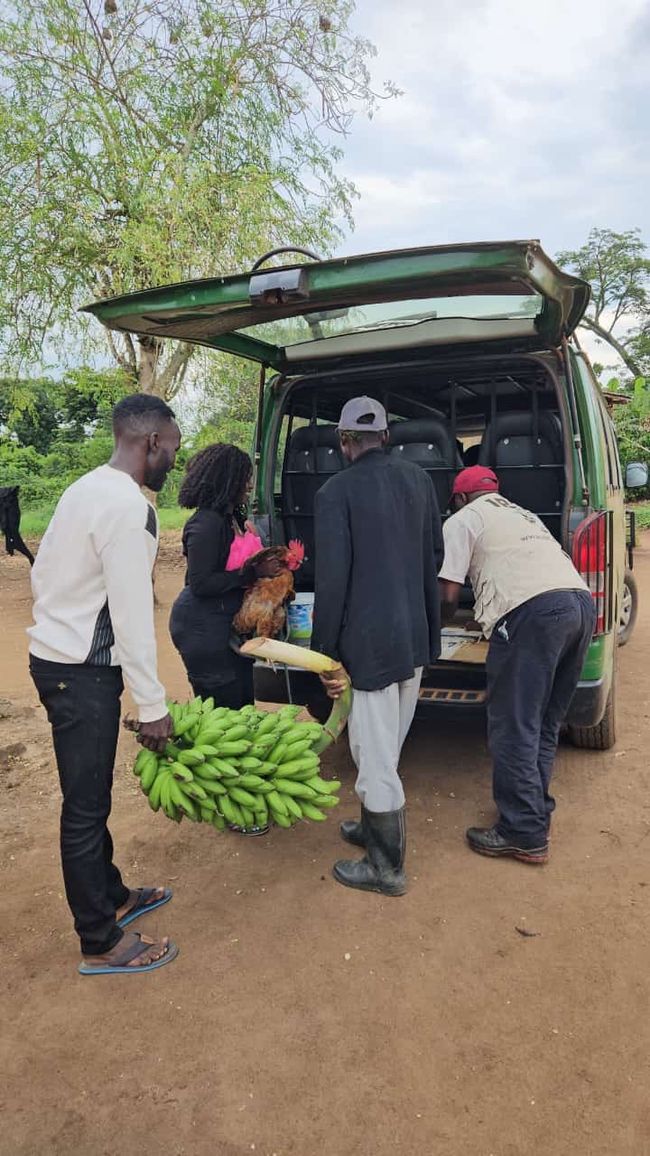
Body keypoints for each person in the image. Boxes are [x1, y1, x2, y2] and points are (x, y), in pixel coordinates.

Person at [28, 393, 182, 975]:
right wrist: (152, 705)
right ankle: (100, 940)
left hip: (56, 658)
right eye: (170, 447)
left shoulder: (84, 487)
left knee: (88, 797)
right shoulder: (128, 509)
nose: (173, 458)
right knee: (85, 807)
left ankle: (113, 895)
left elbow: (46, 575)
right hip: (82, 673)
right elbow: (132, 614)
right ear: (148, 444)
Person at [312, 397, 444, 897]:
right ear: (385, 436)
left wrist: (325, 651)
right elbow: (435, 552)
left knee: (376, 752)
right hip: (414, 636)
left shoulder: (334, 492)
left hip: (368, 645)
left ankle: (386, 867)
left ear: (344, 441)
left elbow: (333, 580)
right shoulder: (420, 481)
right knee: (382, 743)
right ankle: (372, 827)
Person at [438, 465, 596, 865]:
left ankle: (522, 833)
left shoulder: (462, 520)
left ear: (458, 498)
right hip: (579, 604)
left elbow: (450, 595)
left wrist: (431, 630)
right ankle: (534, 813)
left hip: (535, 616)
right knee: (543, 722)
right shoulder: (522, 514)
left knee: (512, 724)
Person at [169, 444, 282, 835]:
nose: (250, 485)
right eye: (245, 478)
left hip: (224, 626)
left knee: (240, 712)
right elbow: (200, 583)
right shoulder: (205, 524)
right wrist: (250, 572)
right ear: (226, 480)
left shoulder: (230, 518)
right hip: (201, 629)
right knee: (224, 718)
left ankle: (236, 796)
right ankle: (229, 808)